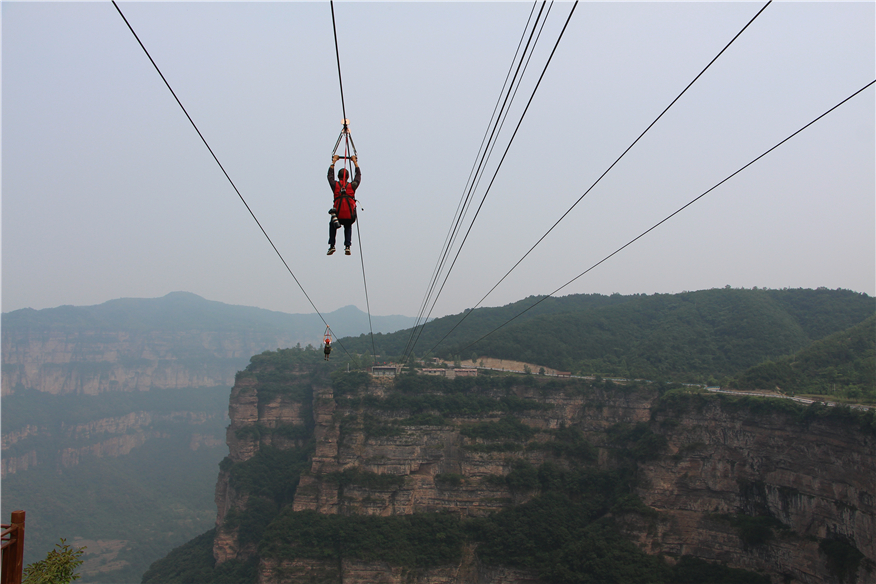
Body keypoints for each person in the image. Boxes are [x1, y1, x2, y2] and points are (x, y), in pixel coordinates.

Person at [327, 154, 361, 255]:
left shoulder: (335, 186)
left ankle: (332, 245)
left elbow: (329, 176)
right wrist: (355, 162)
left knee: (332, 224)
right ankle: (347, 246)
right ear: (348, 177)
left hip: (338, 215)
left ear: (338, 176)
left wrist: (334, 161)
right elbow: (358, 176)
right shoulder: (352, 186)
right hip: (349, 215)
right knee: (348, 225)